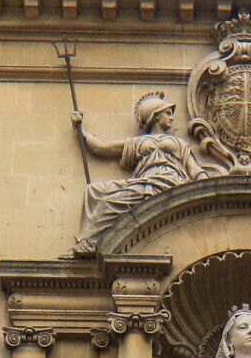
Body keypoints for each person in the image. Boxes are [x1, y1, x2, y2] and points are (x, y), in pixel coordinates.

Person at [72, 91, 201, 254]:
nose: (172, 117)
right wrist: (80, 129)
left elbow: (195, 170)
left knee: (110, 201)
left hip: (172, 182)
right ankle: (91, 243)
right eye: (167, 113)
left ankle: (91, 242)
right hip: (144, 184)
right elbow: (102, 148)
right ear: (155, 116)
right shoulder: (138, 142)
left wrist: (205, 184)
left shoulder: (178, 143)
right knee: (95, 190)